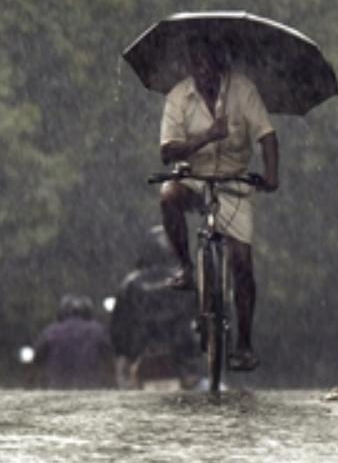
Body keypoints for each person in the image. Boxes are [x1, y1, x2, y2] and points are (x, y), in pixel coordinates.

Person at [158, 33, 278, 372]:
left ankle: (244, 343)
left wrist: (271, 176)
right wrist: (207, 136)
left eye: (209, 65)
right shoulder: (178, 97)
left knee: (242, 261)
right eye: (197, 66)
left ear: (221, 66)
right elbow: (167, 151)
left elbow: (267, 136)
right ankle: (184, 266)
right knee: (168, 195)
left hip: (234, 182)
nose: (204, 73)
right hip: (194, 177)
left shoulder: (242, 91)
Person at [109, 226, 200, 389]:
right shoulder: (186, 280)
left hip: (141, 353)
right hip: (181, 355)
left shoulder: (130, 283)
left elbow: (118, 328)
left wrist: (124, 353)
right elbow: (200, 316)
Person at [32, 294, 115, 389]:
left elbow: (37, 357)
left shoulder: (51, 331)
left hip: (57, 384)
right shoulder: (97, 331)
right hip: (89, 384)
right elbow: (109, 357)